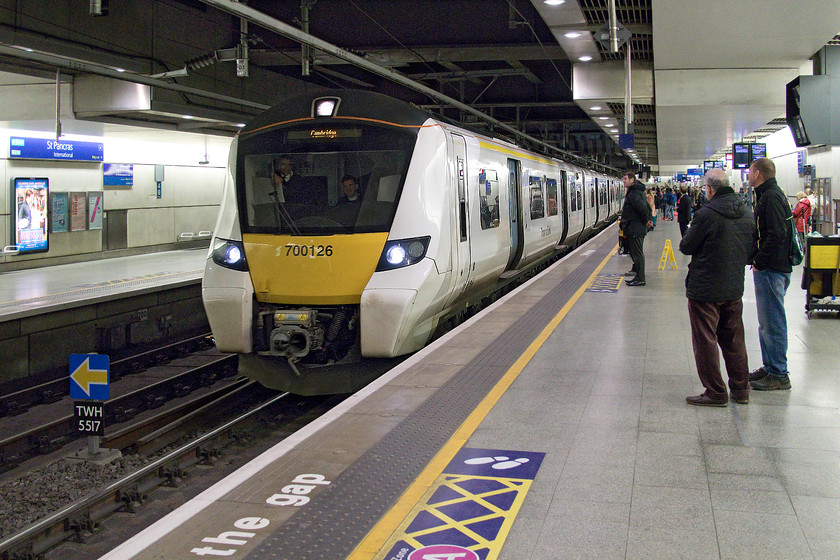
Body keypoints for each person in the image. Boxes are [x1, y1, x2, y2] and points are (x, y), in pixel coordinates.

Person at [679, 169, 756, 406]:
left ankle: (715, 391)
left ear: (709, 189)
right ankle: (741, 390)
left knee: (706, 340)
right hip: (733, 287)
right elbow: (752, 249)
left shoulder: (706, 214)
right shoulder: (747, 212)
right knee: (734, 339)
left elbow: (686, 246)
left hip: (705, 289)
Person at [748, 157, 793, 391]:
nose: (748, 174)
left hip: (772, 269)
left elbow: (776, 234)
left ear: (757, 173)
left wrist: (759, 261)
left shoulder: (771, 197)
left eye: (750, 171)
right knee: (766, 322)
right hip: (772, 268)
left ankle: (779, 374)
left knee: (773, 322)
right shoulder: (769, 194)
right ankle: (770, 367)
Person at [620, 171, 652, 286]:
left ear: (632, 180)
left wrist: (644, 222)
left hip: (635, 228)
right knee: (636, 254)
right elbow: (647, 208)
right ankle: (638, 276)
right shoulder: (638, 191)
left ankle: (640, 278)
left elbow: (643, 209)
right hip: (635, 227)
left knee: (637, 254)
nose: (624, 181)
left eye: (625, 179)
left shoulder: (634, 194)